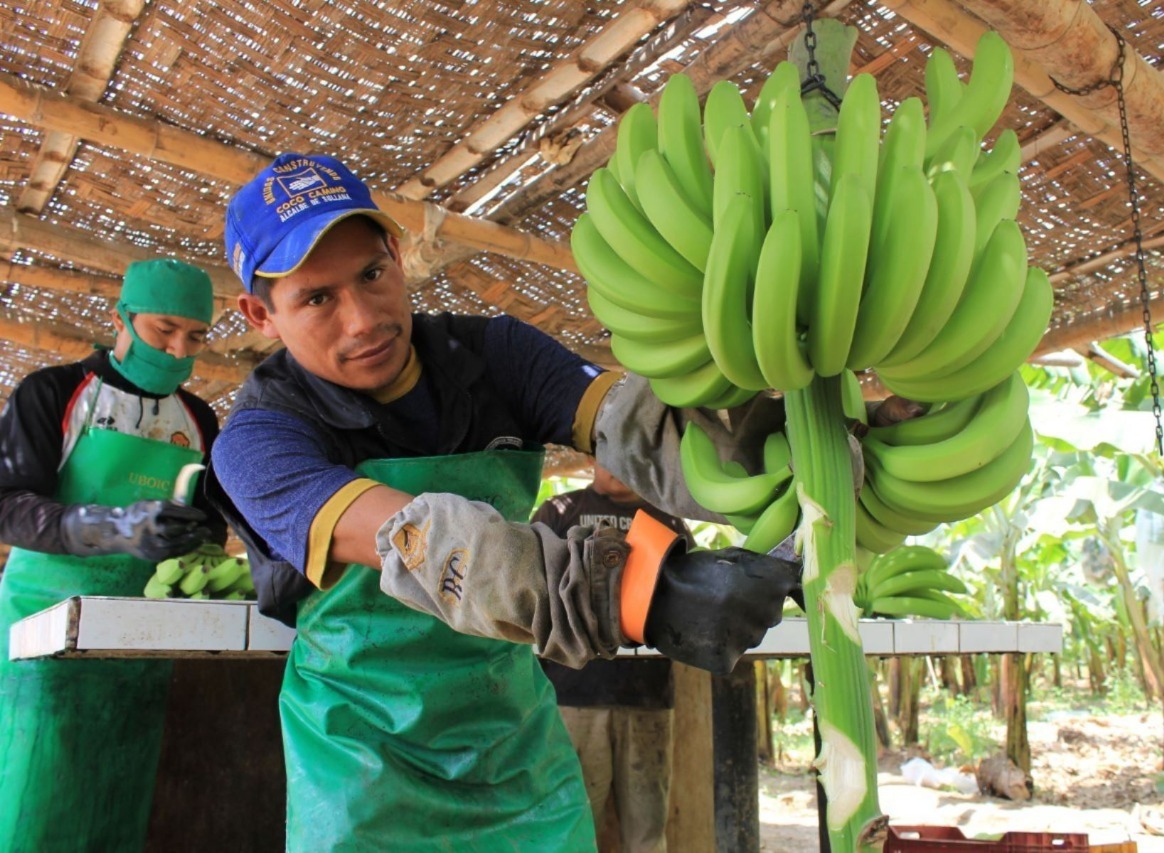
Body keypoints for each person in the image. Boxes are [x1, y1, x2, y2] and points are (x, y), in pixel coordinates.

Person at [207, 152, 803, 851]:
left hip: (515, 751)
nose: (363, 319)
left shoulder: (497, 354)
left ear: (397, 254)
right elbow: (425, 541)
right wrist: (645, 592)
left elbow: (638, 429)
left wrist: (774, 449)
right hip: (365, 769)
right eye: (317, 299)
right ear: (259, 313)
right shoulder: (257, 441)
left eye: (372, 274)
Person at [0, 258, 225, 850]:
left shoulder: (199, 420)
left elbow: (214, 522)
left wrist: (196, 545)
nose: (179, 348)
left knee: (124, 790)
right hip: (44, 628)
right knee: (35, 787)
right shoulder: (54, 393)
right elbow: (7, 504)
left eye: (195, 337)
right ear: (122, 317)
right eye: (163, 329)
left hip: (145, 637)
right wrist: (112, 526)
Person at [534, 462, 688, 853]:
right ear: (592, 455)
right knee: (576, 827)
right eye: (606, 451)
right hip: (572, 697)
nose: (616, 463)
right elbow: (529, 594)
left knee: (647, 832)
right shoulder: (558, 512)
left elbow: (689, 607)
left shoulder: (666, 521)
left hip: (646, 699)